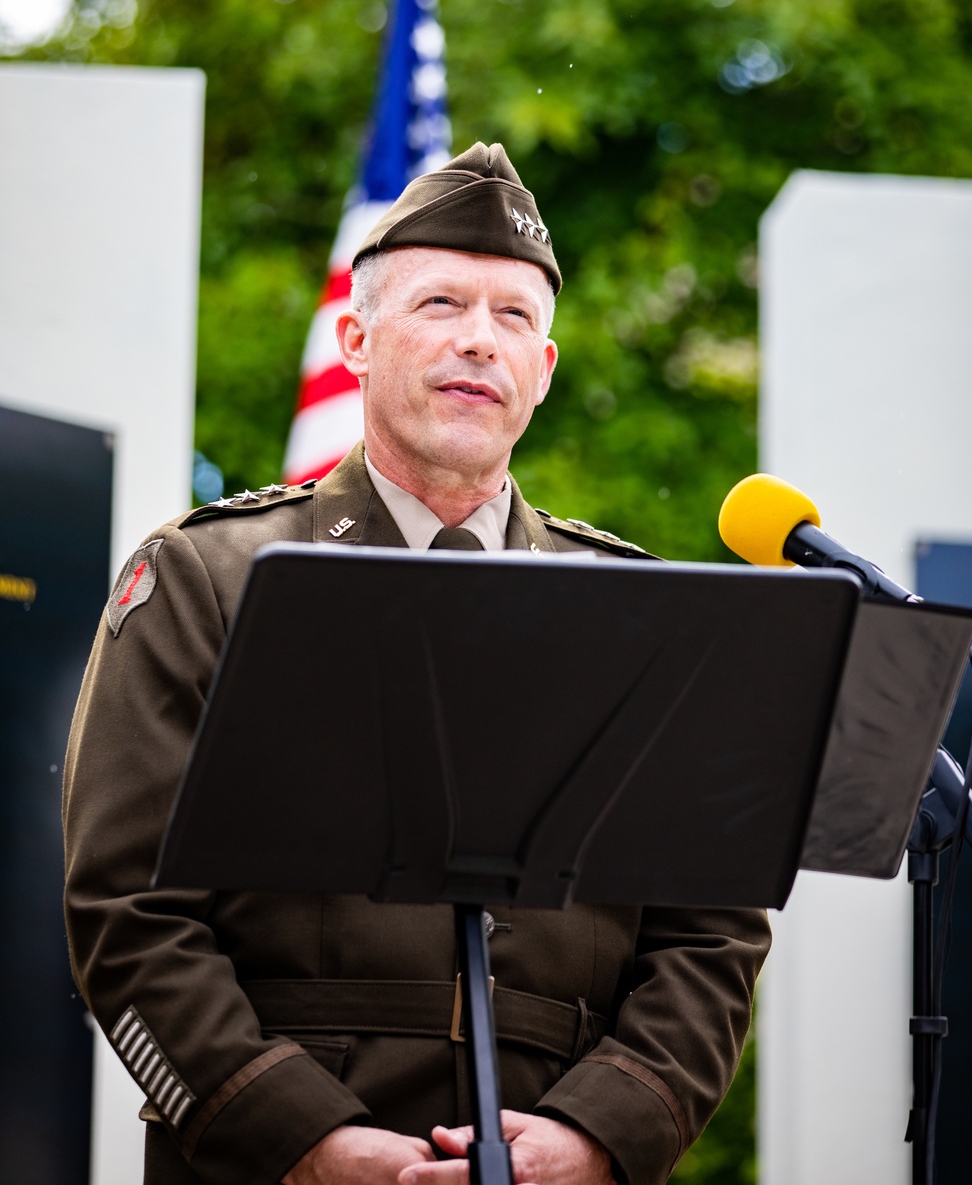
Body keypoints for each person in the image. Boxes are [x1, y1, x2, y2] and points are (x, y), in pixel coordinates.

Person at [64, 142, 770, 1185]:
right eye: (442, 304)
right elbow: (124, 912)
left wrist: (604, 1133)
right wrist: (301, 1139)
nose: (480, 342)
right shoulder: (211, 579)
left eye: (514, 318)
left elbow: (710, 933)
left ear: (544, 371)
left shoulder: (640, 611)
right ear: (355, 339)